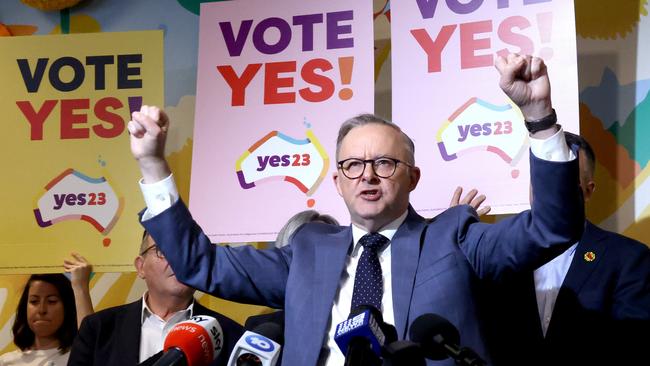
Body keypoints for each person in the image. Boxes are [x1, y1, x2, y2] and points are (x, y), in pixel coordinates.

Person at [127, 53, 584, 365]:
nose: (367, 175)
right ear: (338, 183)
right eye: (353, 165)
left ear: (413, 177)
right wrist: (151, 163)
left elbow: (552, 228)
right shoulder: (305, 251)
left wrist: (539, 118)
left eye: (384, 163)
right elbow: (197, 263)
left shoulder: (455, 236)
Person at [479, 132, 650, 366]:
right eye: (542, 181)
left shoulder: (630, 259)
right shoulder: (495, 254)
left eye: (561, 182)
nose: (550, 193)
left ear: (588, 191)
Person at [67, 231, 244, 366]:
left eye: (188, 251)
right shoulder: (99, 328)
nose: (179, 260)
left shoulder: (231, 335)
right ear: (141, 267)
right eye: (164, 250)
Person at [245, 209, 340, 332]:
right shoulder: (261, 328)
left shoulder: (356, 317)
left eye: (328, 245)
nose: (320, 256)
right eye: (310, 248)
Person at [0, 254, 93, 366]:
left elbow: (91, 346)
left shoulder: (78, 356)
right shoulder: (6, 361)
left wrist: (80, 286)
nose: (42, 310)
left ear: (67, 307)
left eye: (52, 301)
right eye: (34, 301)